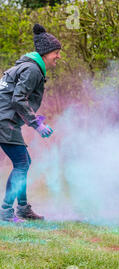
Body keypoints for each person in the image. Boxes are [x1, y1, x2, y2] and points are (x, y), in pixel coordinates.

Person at [0, 23, 60, 222]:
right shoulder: (32, 70)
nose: (58, 57)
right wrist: (37, 125)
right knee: (21, 163)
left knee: (23, 162)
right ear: (45, 53)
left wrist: (33, 119)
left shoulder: (26, 67)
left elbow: (15, 98)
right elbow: (18, 99)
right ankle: (7, 212)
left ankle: (22, 208)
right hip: (4, 122)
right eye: (56, 53)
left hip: (5, 120)